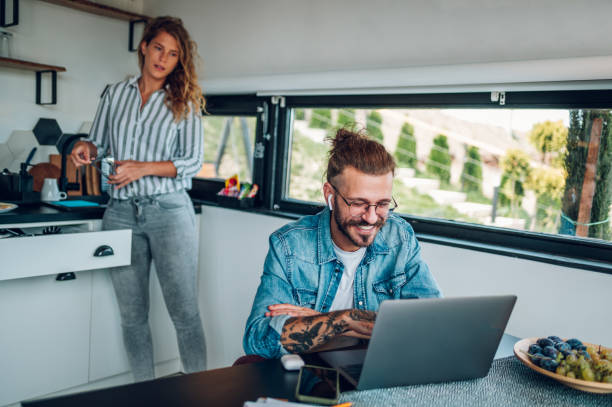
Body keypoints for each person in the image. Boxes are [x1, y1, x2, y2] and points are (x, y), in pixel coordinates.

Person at [70, 16, 206, 381]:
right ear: (144, 46)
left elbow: (191, 162)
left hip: (169, 213)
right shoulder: (115, 93)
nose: (163, 58)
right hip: (119, 214)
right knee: (132, 316)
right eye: (159, 48)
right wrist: (84, 147)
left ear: (180, 61)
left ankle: (202, 393)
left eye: (173, 54)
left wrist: (141, 168)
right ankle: (142, 394)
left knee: (185, 313)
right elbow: (98, 144)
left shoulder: (185, 103)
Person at [243, 128, 441, 359]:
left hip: (379, 369)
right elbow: (257, 339)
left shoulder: (400, 237)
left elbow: (431, 323)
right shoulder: (289, 246)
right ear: (330, 195)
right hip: (311, 373)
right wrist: (346, 320)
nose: (371, 217)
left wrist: (321, 322)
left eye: (383, 204)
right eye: (358, 203)